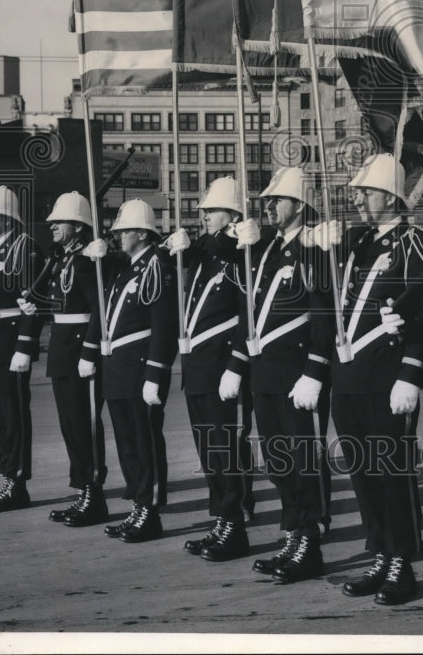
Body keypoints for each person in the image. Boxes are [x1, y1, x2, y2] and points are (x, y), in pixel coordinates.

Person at [327, 153, 423, 605]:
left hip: (388, 378)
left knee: (392, 473)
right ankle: (379, 552)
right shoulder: (358, 243)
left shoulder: (416, 244)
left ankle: (401, 562)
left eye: (366, 192)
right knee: (363, 473)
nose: (358, 198)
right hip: (349, 376)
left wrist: (410, 376)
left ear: (390, 197)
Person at [225, 166, 333, 584]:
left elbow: (325, 313)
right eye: (268, 201)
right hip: (265, 373)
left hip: (297, 372)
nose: (269, 206)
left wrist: (315, 371)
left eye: (277, 200)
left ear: (300, 205)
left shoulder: (315, 247)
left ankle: (309, 541)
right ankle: (292, 534)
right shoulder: (267, 248)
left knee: (304, 461)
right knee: (279, 462)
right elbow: (248, 306)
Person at [78, 198, 178, 543]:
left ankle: (150, 512)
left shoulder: (156, 266)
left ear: (141, 232)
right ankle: (137, 505)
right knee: (127, 445)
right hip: (117, 369)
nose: (118, 236)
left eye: (123, 231)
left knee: (145, 442)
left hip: (138, 369)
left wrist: (156, 373)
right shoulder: (125, 268)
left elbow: (163, 326)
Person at [165, 177, 254, 562]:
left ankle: (234, 525)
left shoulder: (240, 252)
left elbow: (248, 314)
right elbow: (169, 259)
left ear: (233, 215)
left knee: (225, 450)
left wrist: (237, 364)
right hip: (198, 367)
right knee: (208, 453)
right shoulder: (203, 253)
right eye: (203, 212)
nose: (204, 218)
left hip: (222, 367)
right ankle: (220, 518)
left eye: (212, 212)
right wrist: (173, 248)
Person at [17, 191, 108, 527]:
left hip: (80, 355)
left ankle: (94, 495)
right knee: (70, 426)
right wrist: (36, 306)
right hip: (61, 354)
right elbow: (60, 306)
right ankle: (83, 488)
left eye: (60, 221)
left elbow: (98, 310)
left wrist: (89, 352)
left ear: (79, 227)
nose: (52, 225)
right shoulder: (64, 261)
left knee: (85, 427)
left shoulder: (88, 262)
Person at [0, 185, 43, 513]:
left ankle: (16, 483)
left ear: (5, 218)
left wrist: (25, 347)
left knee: (13, 415)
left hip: (11, 343)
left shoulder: (24, 248)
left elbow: (34, 303)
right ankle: (7, 477)